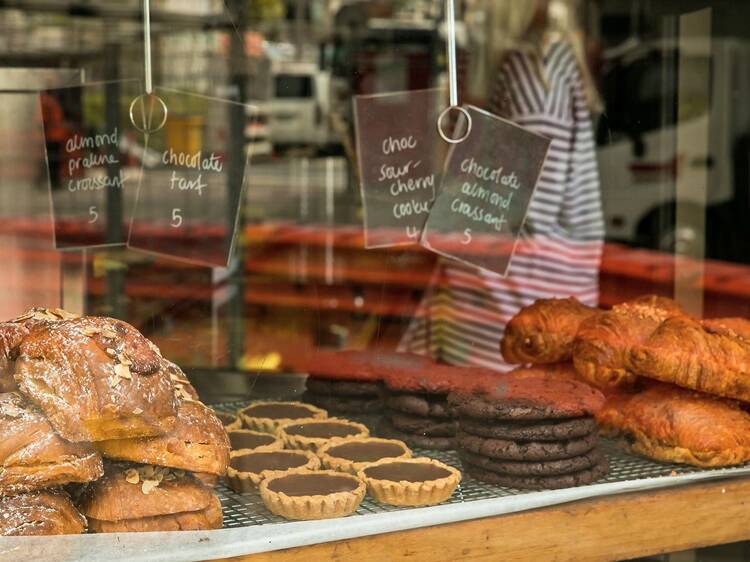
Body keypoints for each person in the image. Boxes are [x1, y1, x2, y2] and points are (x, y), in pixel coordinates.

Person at [399, 0, 604, 371]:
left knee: (490, 416)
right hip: (530, 300)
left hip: (507, 310)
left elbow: (521, 207)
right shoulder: (545, 64)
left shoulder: (531, 71)